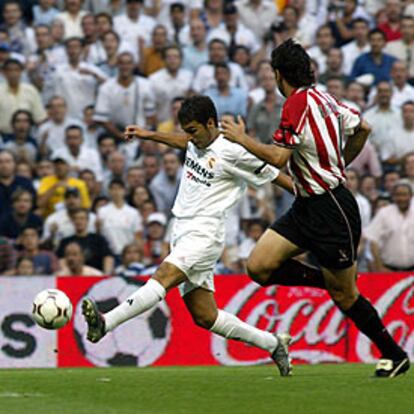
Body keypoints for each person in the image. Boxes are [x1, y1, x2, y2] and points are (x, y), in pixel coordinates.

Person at [221, 39, 409, 378]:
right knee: (258, 266)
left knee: (347, 297)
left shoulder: (295, 104)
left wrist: (242, 138)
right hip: (307, 204)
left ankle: (395, 355)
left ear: (279, 75)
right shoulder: (325, 98)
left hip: (331, 210)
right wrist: (339, 164)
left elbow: (279, 157)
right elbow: (363, 127)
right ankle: (328, 281)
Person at [82, 95, 294, 377]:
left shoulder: (234, 151)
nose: (190, 138)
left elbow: (276, 175)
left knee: (163, 277)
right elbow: (184, 142)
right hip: (181, 229)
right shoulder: (197, 140)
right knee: (205, 316)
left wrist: (315, 198)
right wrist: (149, 135)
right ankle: (273, 344)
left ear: (210, 123)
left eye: (193, 130)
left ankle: (106, 322)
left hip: (205, 233)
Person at [364, 181, 414, 272]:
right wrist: (379, 267)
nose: (402, 198)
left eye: (405, 195)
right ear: (393, 197)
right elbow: (373, 242)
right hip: (389, 270)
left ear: (411, 196)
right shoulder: (384, 213)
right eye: (398, 195)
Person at [57, 208, 114, 274]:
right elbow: (61, 261)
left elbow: (108, 257)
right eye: (76, 219)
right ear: (72, 221)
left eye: (82, 218)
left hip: (96, 276)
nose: (79, 221)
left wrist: (106, 275)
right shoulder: (65, 242)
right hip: (72, 277)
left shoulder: (99, 239)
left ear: (87, 221)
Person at [0, 149, 36, 217]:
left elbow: (35, 206)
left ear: (14, 164)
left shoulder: (25, 183)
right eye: (0, 162)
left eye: (8, 161)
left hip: (21, 224)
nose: (4, 165)